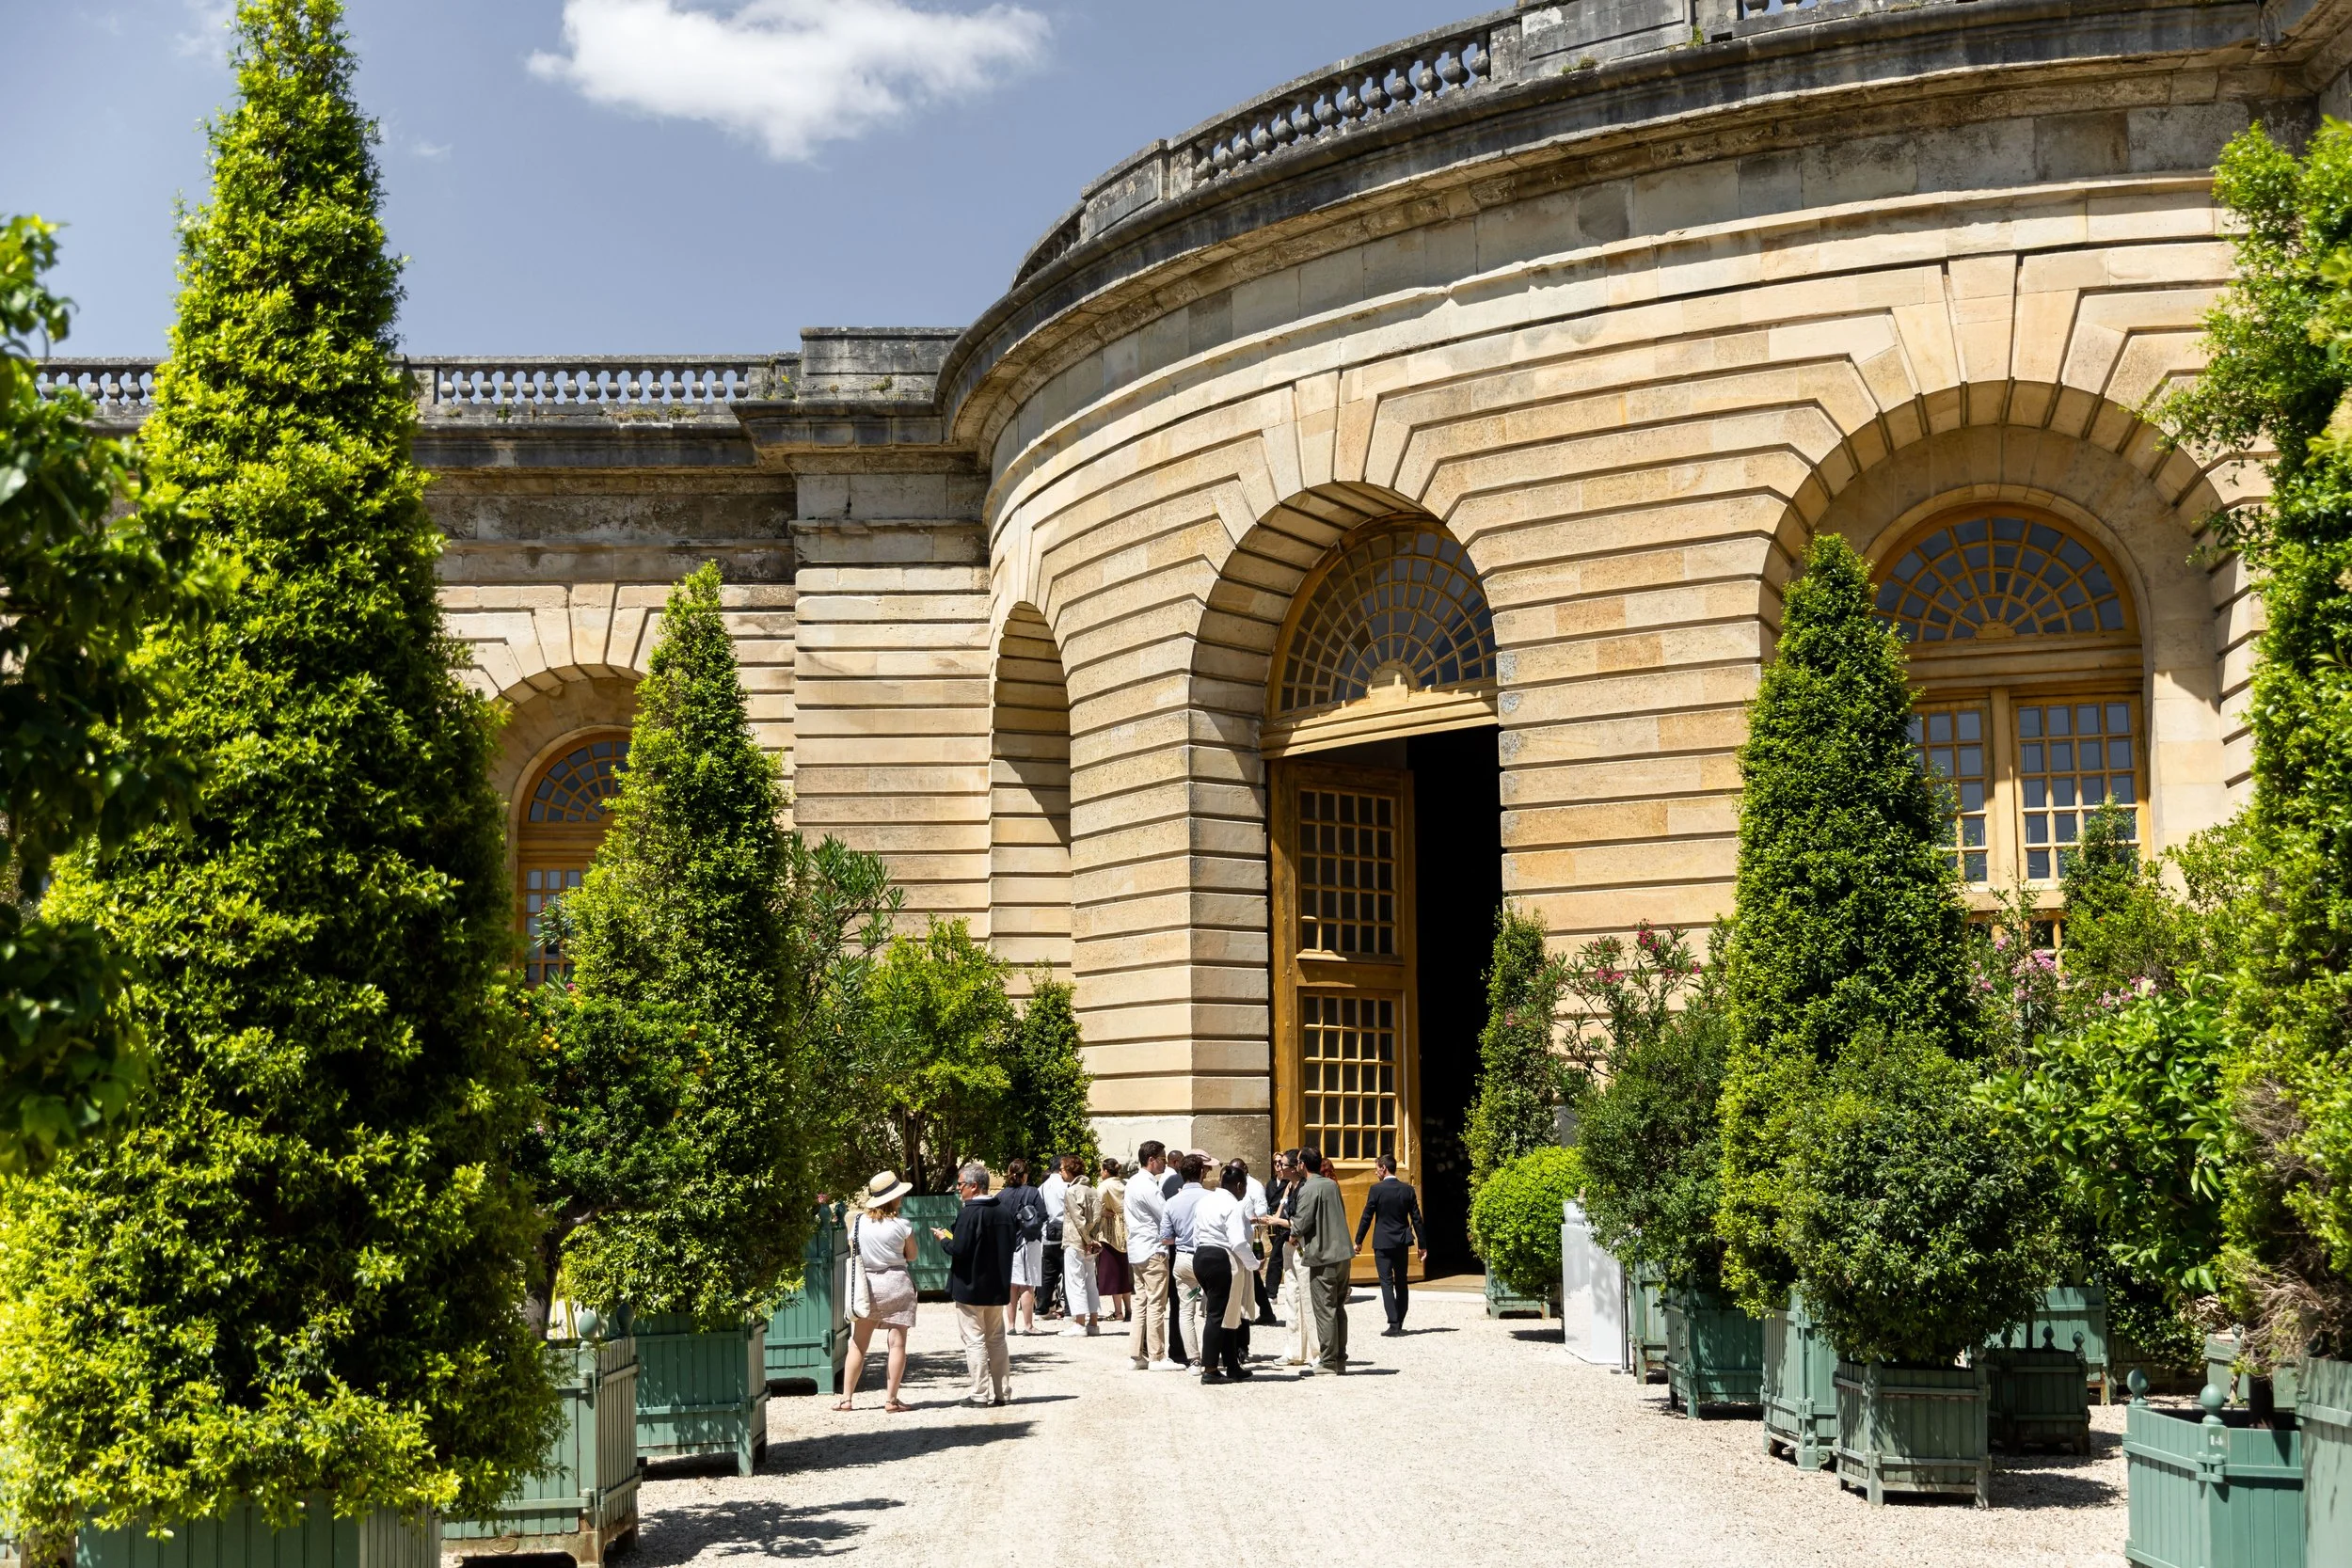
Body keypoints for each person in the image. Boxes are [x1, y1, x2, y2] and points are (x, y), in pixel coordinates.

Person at [835, 1171, 921, 1413]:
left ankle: (846, 1399)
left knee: (858, 1344)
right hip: (897, 1284)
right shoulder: (902, 1226)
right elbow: (912, 1256)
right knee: (897, 1344)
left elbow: (854, 1250)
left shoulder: (859, 1223)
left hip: (868, 1286)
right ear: (893, 1198)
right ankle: (891, 1400)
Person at [935, 1162, 1018, 1406]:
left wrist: (942, 1239)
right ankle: (1003, 1392)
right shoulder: (1003, 1212)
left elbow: (959, 1248)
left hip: (971, 1287)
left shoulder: (969, 1213)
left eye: (960, 1185)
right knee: (997, 1339)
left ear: (973, 1186)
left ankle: (979, 1393)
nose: (958, 1189)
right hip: (996, 1285)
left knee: (974, 1340)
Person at [1190, 1161, 1259, 1383]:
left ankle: (1231, 1365)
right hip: (1221, 1258)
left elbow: (1195, 1234)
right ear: (1239, 1185)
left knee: (1229, 1313)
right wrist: (1254, 1264)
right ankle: (1209, 1369)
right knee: (1217, 1315)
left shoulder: (1205, 1200)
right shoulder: (1234, 1206)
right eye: (1245, 1186)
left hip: (1201, 1255)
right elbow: (1238, 1242)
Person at [1289, 1146, 1353, 1375]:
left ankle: (1327, 1361)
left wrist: (1292, 1233)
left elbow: (1301, 1222)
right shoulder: (1331, 1185)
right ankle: (1340, 1358)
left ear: (1303, 1165)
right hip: (1343, 1253)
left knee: (1325, 1309)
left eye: (1297, 1162)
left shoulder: (1309, 1188)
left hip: (1323, 1255)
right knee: (1338, 1307)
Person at [1354, 1151, 1429, 1335]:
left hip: (1382, 1241)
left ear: (1384, 1168)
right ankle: (1400, 1320)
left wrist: (1358, 1240)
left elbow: (1367, 1217)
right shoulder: (1407, 1190)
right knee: (1402, 1281)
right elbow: (1417, 1219)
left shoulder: (1376, 1190)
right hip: (1402, 1241)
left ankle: (1393, 1323)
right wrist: (1422, 1245)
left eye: (1376, 1169)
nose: (1375, 1172)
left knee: (1386, 1282)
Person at [1124, 1142, 1175, 1370]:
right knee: (1156, 1303)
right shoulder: (1148, 1185)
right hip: (1153, 1248)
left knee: (1141, 1302)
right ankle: (1157, 1355)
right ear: (1152, 1160)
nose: (1164, 1162)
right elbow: (1165, 1215)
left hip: (1137, 1249)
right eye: (1162, 1159)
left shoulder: (1133, 1182)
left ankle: (1137, 1355)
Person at [1164, 1153, 1209, 1368]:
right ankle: (1214, 1354)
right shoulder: (1211, 1198)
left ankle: (1193, 1358)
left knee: (1185, 1310)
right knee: (1214, 1310)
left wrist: (1183, 1236)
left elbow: (1165, 1237)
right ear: (1202, 1172)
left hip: (1183, 1257)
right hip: (1208, 1256)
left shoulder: (1172, 1202)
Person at [1056, 1153, 1103, 1335]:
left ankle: (1079, 1323)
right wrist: (1093, 1238)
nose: (1060, 1173)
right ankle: (1093, 1322)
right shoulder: (1093, 1190)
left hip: (1075, 1241)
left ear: (1069, 1170)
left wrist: (1087, 1239)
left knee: (1075, 1281)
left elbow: (1077, 1219)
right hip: (1091, 1242)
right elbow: (1097, 1218)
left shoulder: (1071, 1191)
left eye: (1062, 1169)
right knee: (1091, 1280)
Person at [1000, 1157, 1046, 1334]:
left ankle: (1011, 1325)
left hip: (1007, 1244)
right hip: (1028, 1242)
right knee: (1028, 1284)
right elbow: (1042, 1215)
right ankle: (1028, 1325)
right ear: (1025, 1175)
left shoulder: (1001, 1195)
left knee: (1011, 1284)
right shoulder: (1032, 1192)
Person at [1095, 1154, 1133, 1322]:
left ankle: (1118, 1311)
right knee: (1124, 1271)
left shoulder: (1104, 1186)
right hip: (1125, 1227)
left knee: (1113, 1273)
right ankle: (1129, 1308)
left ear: (1105, 1171)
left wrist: (1102, 1212)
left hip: (1110, 1230)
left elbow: (1096, 1206)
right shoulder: (1126, 1184)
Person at [1039, 1154, 1069, 1320]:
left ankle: (1042, 1309)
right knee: (1068, 1273)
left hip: (1047, 1234)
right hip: (1065, 1234)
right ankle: (1068, 1309)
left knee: (1047, 1274)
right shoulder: (1066, 1185)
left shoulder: (1042, 1187)